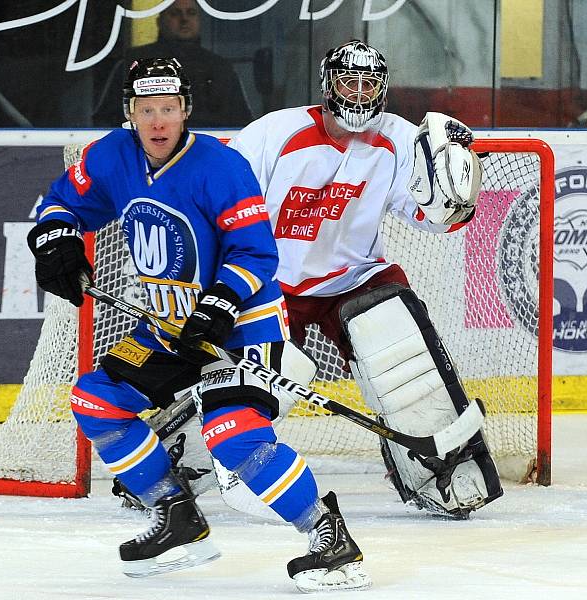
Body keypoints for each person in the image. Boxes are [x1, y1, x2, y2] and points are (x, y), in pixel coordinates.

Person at [26, 57, 371, 592]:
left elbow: (256, 255)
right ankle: (176, 516)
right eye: (147, 110)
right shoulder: (111, 156)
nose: (158, 121)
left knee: (231, 435)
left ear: (185, 110)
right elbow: (62, 202)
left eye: (168, 109)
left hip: (242, 323)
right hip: (165, 327)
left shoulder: (220, 165)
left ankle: (326, 535)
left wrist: (218, 307)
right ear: (130, 114)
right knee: (97, 400)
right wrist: (56, 241)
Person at [228, 40, 504, 519]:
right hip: (273, 282)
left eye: (368, 83)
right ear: (327, 85)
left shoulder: (399, 138)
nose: (358, 93)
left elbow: (422, 214)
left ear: (382, 88)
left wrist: (452, 207)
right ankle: (177, 464)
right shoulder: (275, 132)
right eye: (347, 82)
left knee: (400, 344)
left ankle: (446, 472)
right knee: (247, 386)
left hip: (355, 277)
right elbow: (227, 199)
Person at [94, 0, 252, 128]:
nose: (184, 19)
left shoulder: (220, 67)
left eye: (191, 13)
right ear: (159, 22)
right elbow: (105, 120)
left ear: (200, 20)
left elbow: (242, 123)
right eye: (175, 13)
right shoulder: (135, 63)